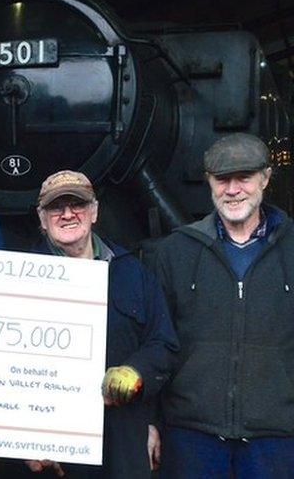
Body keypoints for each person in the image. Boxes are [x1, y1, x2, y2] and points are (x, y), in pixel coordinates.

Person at [154, 133, 294, 478]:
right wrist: (149, 421)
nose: (233, 189)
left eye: (244, 178)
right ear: (209, 182)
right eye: (222, 179)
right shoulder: (176, 252)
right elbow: (156, 344)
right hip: (190, 436)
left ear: (265, 179)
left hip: (274, 440)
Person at [23, 170, 178, 478]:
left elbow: (163, 345)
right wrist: (24, 440)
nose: (67, 214)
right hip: (56, 446)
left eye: (77, 204)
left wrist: (137, 377)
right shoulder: (22, 277)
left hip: (124, 436)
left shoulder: (133, 273)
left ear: (93, 212)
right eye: (56, 207)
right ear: (42, 219)